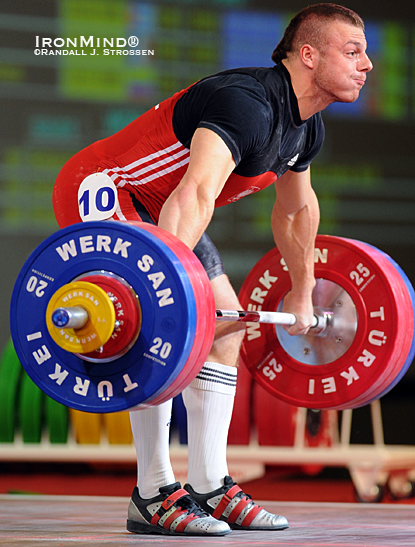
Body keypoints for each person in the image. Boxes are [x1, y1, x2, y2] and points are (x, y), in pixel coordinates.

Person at [53, 2, 372, 537]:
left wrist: (302, 290)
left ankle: (209, 486)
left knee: (225, 328)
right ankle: (152, 492)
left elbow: (296, 210)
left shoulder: (305, 128)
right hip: (104, 188)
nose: (367, 65)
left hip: (165, 210)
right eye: (354, 51)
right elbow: (196, 192)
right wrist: (162, 291)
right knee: (155, 331)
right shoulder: (246, 102)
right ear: (309, 56)